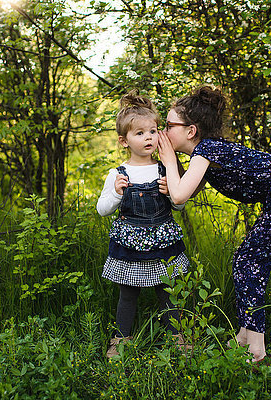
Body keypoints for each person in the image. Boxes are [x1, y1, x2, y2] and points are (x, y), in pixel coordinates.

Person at [157, 86, 271, 362]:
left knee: (247, 262)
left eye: (169, 125)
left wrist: (170, 162)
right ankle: (245, 334)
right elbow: (186, 191)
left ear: (191, 131)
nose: (164, 131)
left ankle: (256, 348)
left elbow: (180, 193)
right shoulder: (208, 152)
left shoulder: (206, 149)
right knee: (249, 262)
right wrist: (173, 176)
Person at [97, 90, 190, 358]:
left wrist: (170, 193)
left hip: (163, 242)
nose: (148, 137)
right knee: (128, 295)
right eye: (139, 133)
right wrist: (115, 192)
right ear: (123, 141)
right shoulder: (117, 173)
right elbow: (102, 210)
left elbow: (180, 205)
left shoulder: (165, 167)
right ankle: (120, 339)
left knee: (168, 292)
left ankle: (176, 337)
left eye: (152, 130)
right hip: (130, 245)